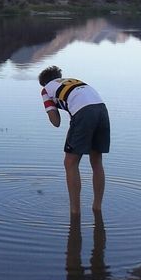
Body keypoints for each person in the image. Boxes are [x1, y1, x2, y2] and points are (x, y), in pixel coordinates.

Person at [38, 65, 110, 215]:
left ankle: (74, 212)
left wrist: (51, 106)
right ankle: (97, 208)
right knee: (96, 161)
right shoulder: (74, 81)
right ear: (59, 76)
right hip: (102, 109)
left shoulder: (46, 89)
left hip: (83, 113)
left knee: (70, 162)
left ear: (44, 82)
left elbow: (55, 122)